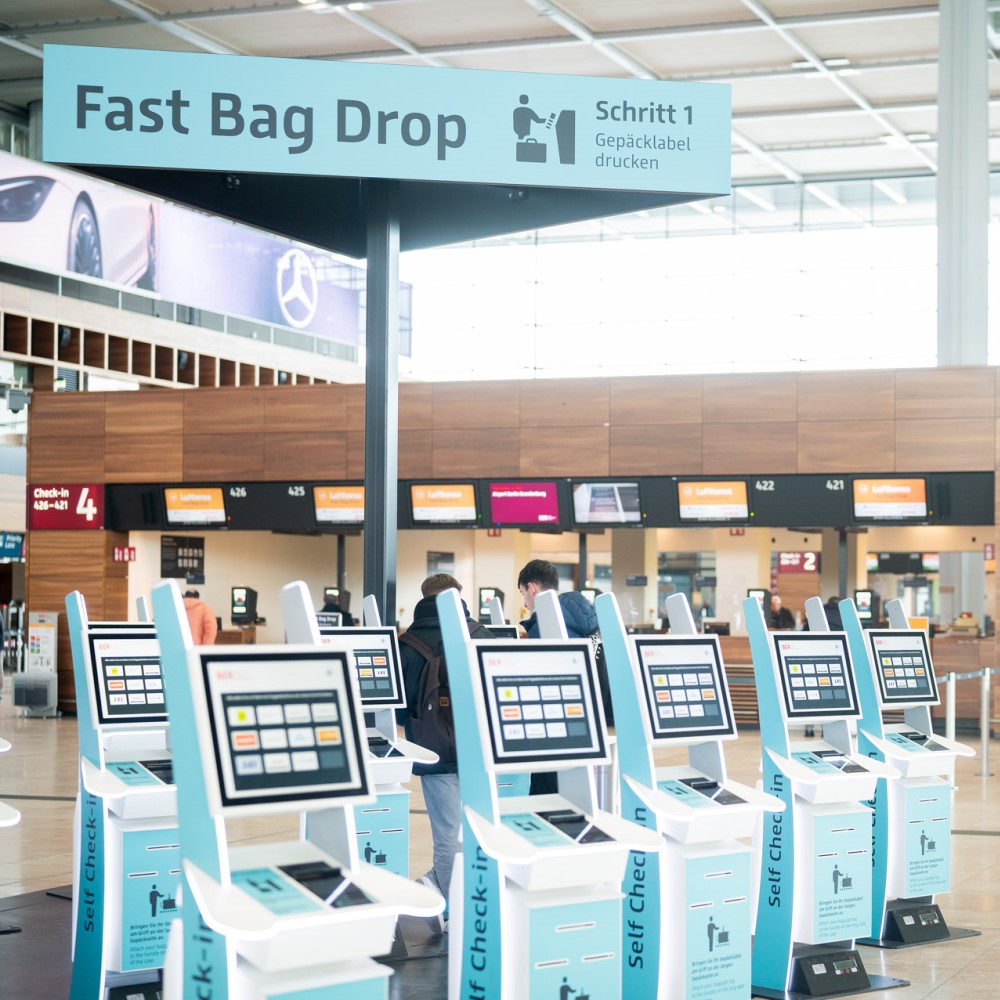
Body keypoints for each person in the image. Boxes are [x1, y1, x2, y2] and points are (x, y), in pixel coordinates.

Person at [397, 573, 493, 926]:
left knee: (446, 836)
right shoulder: (482, 635)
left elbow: (399, 706)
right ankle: (471, 904)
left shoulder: (408, 643)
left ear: (424, 598)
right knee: (480, 832)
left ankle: (454, 912)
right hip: (480, 752)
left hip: (433, 754)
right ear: (459, 596)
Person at [517, 560, 601, 795]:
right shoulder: (584, 624)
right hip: (584, 723)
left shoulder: (544, 625)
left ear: (532, 588)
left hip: (552, 727)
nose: (524, 603)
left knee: (545, 798)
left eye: (523, 593)